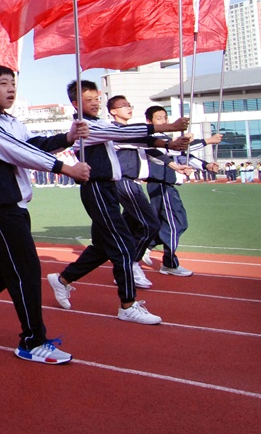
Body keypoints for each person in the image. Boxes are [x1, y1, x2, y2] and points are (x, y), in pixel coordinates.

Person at [0, 65, 91, 363]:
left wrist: (67, 137)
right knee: (25, 269)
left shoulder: (10, 120)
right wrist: (67, 169)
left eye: (13, 83)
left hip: (16, 204)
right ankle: (32, 340)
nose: (11, 89)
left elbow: (32, 144)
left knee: (5, 264)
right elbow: (20, 152)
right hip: (2, 205)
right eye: (3, 83)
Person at [46, 81, 187, 325]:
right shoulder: (84, 127)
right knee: (122, 245)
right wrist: (167, 127)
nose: (95, 102)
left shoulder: (100, 124)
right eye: (88, 99)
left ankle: (63, 279)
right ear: (75, 103)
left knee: (103, 247)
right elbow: (123, 133)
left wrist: (167, 143)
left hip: (108, 189)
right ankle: (127, 304)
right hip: (97, 188)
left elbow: (133, 140)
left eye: (96, 98)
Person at [142, 106, 218, 277]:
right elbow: (173, 150)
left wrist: (206, 165)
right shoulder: (151, 139)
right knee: (175, 223)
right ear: (150, 122)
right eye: (159, 118)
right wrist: (207, 140)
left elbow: (184, 155)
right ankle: (169, 263)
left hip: (167, 185)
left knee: (173, 223)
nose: (164, 121)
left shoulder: (166, 139)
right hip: (160, 183)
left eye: (165, 118)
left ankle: (145, 246)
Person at [106, 96, 161, 285]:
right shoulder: (115, 131)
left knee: (123, 230)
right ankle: (131, 264)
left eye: (130, 105)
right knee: (150, 224)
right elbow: (146, 141)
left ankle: (124, 267)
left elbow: (152, 149)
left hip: (134, 183)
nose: (129, 108)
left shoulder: (131, 133)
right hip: (124, 183)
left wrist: (176, 164)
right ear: (113, 111)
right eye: (124, 106)